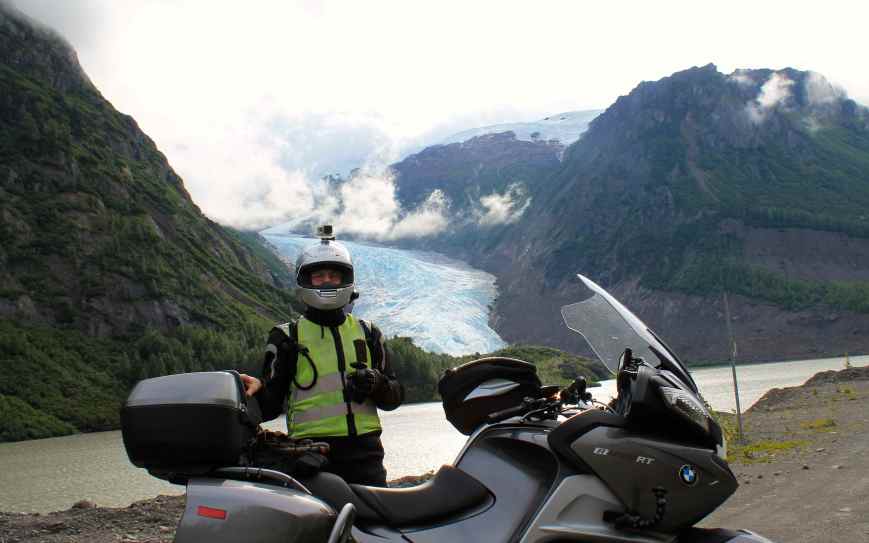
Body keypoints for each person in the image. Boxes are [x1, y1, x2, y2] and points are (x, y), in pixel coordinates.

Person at [240, 227, 403, 487]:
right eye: (319, 276)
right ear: (305, 280)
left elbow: (395, 398)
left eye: (334, 275)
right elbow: (270, 407)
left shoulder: (368, 333)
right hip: (311, 456)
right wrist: (257, 390)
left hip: (366, 456)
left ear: (346, 279)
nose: (327, 281)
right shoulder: (286, 337)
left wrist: (377, 383)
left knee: (375, 526)